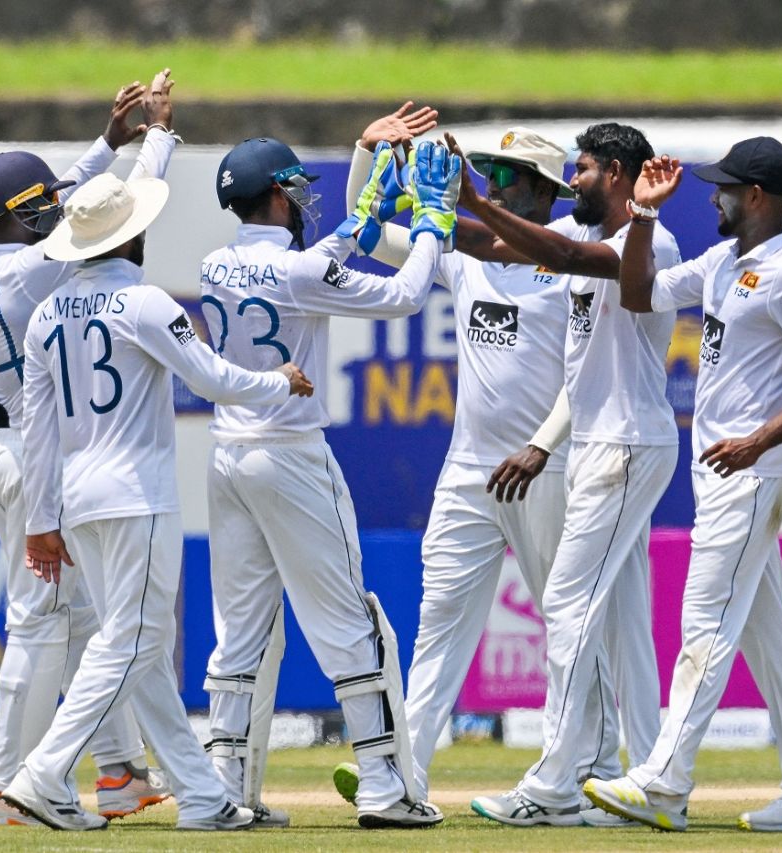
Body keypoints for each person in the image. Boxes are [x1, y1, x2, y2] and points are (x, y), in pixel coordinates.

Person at [332, 112, 641, 826]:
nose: (488, 183)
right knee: (439, 619)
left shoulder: (572, 260)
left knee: (567, 622)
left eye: (504, 175)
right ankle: (404, 772)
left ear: (542, 190)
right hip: (470, 467)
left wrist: (542, 445)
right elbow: (367, 231)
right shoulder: (462, 250)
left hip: (546, 470)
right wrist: (366, 151)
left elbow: (587, 376)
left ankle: (594, 770)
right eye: (487, 172)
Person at [4, 171, 313, 832]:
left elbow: (37, 430)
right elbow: (212, 378)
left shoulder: (46, 314)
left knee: (137, 650)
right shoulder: (144, 302)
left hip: (79, 500)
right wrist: (279, 381)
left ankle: (202, 796)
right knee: (137, 639)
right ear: (130, 235)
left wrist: (40, 520)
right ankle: (42, 774)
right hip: (136, 494)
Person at [583, 138, 782, 833]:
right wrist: (643, 216)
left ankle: (664, 781)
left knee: (704, 625)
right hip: (724, 473)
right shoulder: (723, 261)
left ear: (756, 196)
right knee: (767, 638)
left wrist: (760, 439)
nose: (714, 197)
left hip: (752, 474)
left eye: (726, 188)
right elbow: (638, 293)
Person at [197, 136, 457, 829]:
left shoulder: (215, 263)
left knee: (242, 631)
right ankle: (383, 785)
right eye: (295, 189)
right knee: (348, 621)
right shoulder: (300, 270)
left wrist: (364, 199)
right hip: (291, 454)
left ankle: (225, 789)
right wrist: (430, 223)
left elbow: (322, 260)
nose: (303, 200)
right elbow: (404, 295)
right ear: (277, 194)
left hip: (228, 456)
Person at [0, 70, 179, 828]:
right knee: (41, 622)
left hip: (13, 450)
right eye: (45, 201)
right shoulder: (36, 266)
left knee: (85, 621)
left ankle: (119, 772)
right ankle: (1, 788)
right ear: (27, 214)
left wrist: (107, 142)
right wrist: (155, 139)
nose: (60, 204)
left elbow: (65, 198)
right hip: (36, 461)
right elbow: (114, 211)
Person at [451, 123, 681, 826]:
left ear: (614, 173)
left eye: (580, 169)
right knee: (624, 621)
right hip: (599, 445)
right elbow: (501, 247)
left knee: (569, 605)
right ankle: (646, 786)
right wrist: (438, 212)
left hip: (624, 444)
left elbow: (563, 255)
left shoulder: (650, 241)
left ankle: (555, 783)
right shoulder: (586, 234)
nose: (570, 181)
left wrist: (476, 199)